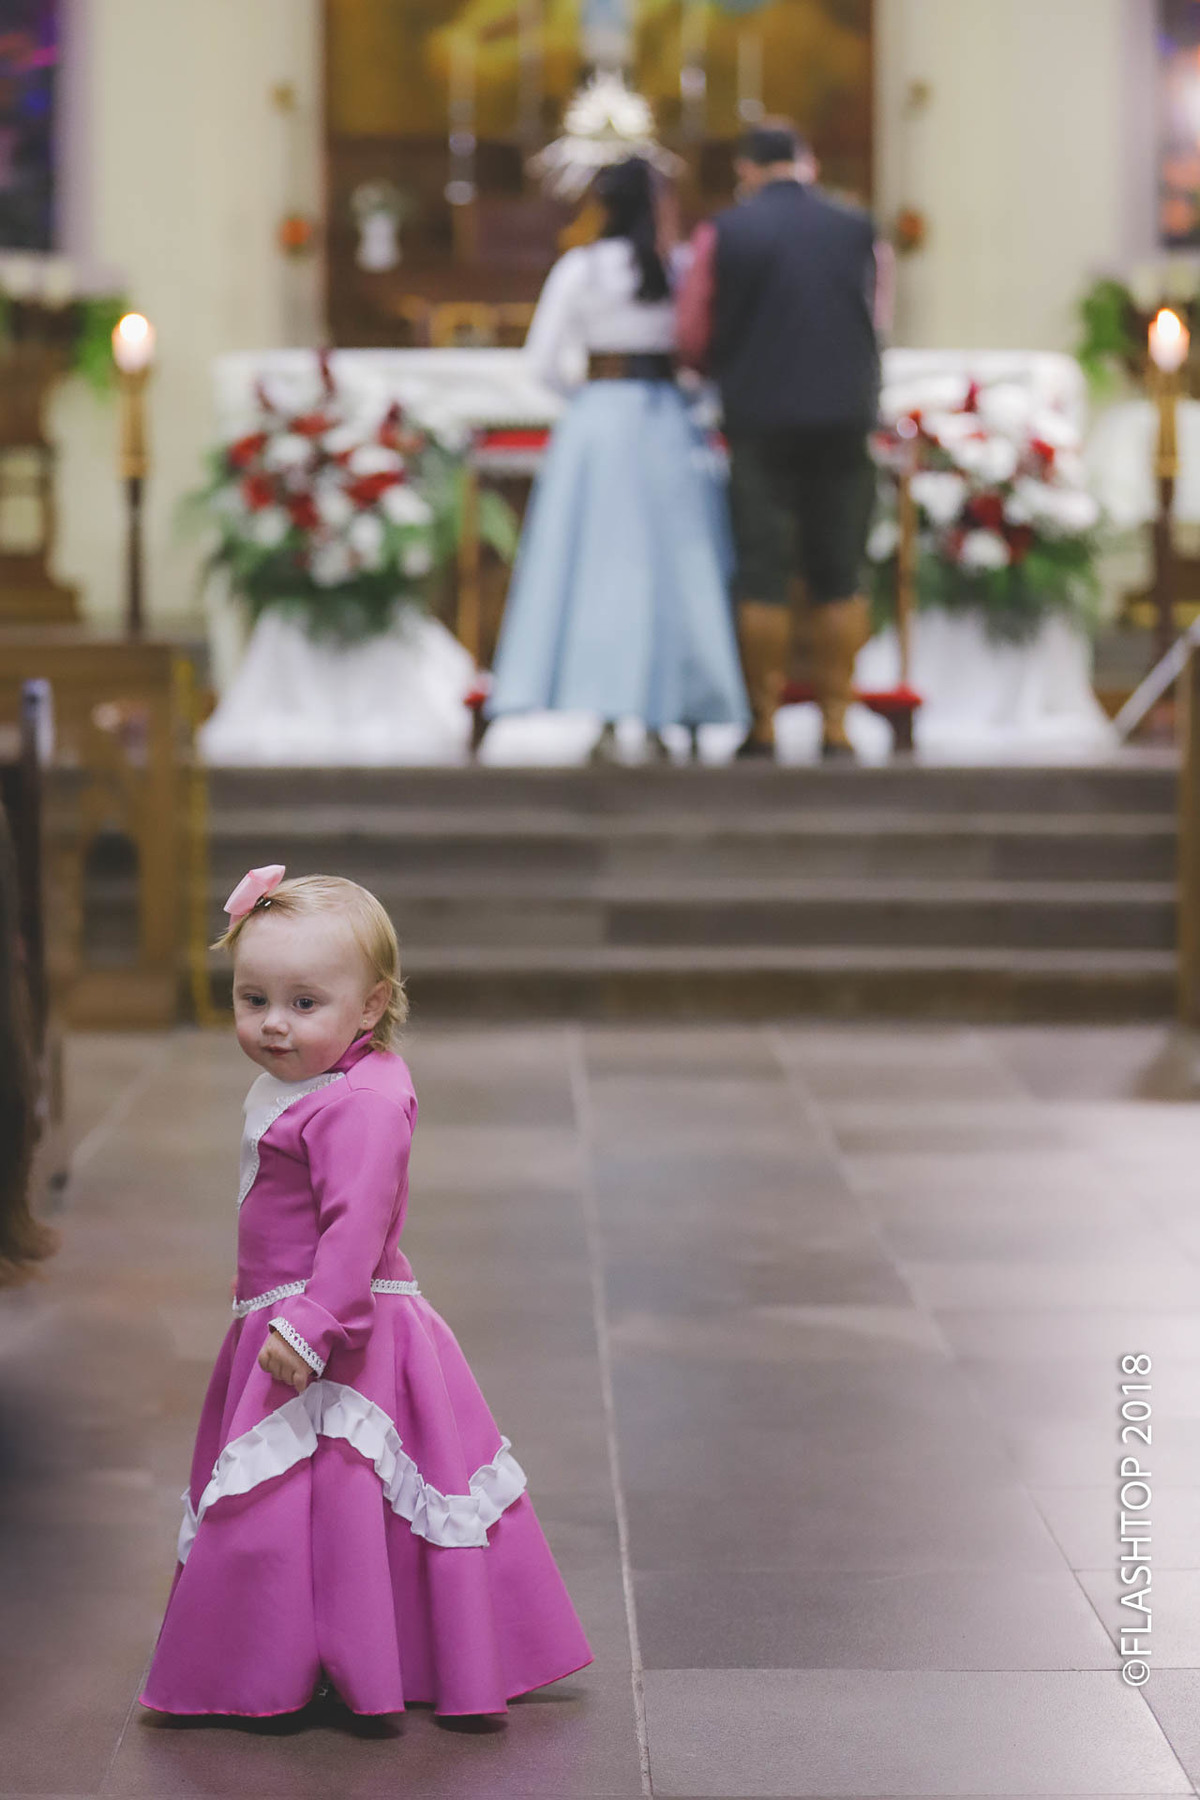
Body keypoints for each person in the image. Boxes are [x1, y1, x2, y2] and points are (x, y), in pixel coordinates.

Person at [140, 865, 591, 1719]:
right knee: (322, 1492)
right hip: (287, 1312)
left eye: (304, 1002)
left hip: (340, 1329)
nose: (274, 1023)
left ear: (372, 1005)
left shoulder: (362, 1104)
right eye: (252, 998)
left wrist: (310, 1324)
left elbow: (356, 1228)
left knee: (332, 1485)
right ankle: (315, 1648)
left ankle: (314, 1657)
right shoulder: (317, 1079)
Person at [487, 155, 749, 763]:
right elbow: (705, 353)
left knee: (600, 572)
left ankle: (604, 714)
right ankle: (669, 713)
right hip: (667, 423)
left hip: (599, 424)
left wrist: (587, 400)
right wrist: (688, 398)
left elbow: (544, 363)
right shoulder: (680, 266)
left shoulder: (581, 269)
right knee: (672, 570)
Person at [678, 120, 888, 760]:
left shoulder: (725, 231)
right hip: (843, 416)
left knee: (763, 572)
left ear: (746, 170)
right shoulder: (858, 228)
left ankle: (764, 722)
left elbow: (692, 330)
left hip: (759, 419)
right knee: (839, 571)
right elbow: (877, 315)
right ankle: (835, 723)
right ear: (809, 164)